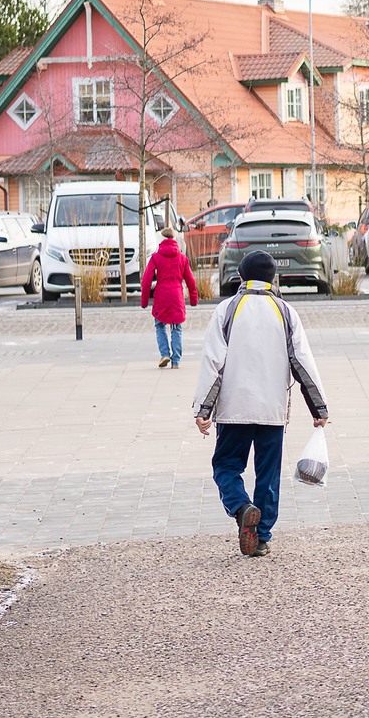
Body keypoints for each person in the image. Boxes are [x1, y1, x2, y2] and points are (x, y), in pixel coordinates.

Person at [192, 249, 329, 558]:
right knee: (268, 474)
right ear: (273, 278)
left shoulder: (226, 310)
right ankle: (262, 535)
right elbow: (302, 361)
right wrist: (318, 408)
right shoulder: (285, 311)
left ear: (241, 276)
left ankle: (242, 508)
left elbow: (214, 363)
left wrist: (203, 410)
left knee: (226, 465)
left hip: (233, 409)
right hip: (272, 409)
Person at [141, 226, 198, 369]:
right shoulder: (182, 258)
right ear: (174, 240)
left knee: (160, 325)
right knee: (176, 328)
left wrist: (144, 301)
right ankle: (176, 361)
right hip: (177, 295)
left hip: (161, 295)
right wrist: (193, 298)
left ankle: (164, 353)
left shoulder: (155, 257)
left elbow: (147, 279)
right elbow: (190, 280)